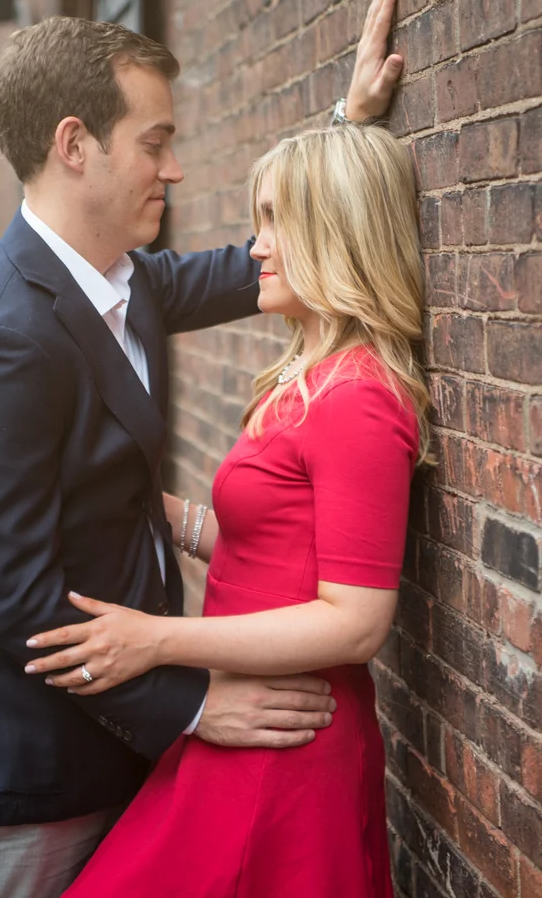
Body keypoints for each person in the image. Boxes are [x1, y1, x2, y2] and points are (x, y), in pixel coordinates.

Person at [0, 0, 403, 898]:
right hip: (21, 785)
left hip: (118, 757)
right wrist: (195, 702)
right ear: (75, 145)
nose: (173, 169)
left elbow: (284, 257)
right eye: (155, 143)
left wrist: (347, 125)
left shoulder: (126, 285)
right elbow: (15, 602)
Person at [25, 122, 430, 898]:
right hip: (244, 717)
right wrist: (142, 506)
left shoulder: (357, 399)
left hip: (285, 739)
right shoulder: (309, 376)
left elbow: (356, 622)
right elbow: (271, 552)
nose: (257, 247)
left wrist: (154, 641)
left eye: (277, 221)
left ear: (337, 232)